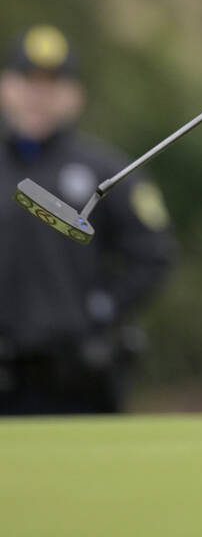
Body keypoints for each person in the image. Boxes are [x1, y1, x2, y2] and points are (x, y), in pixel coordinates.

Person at [0, 24, 174, 415]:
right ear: (6, 87)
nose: (38, 96)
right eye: (28, 82)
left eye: (52, 84)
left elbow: (153, 253)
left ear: (75, 96)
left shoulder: (107, 170)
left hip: (79, 376)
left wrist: (103, 306)